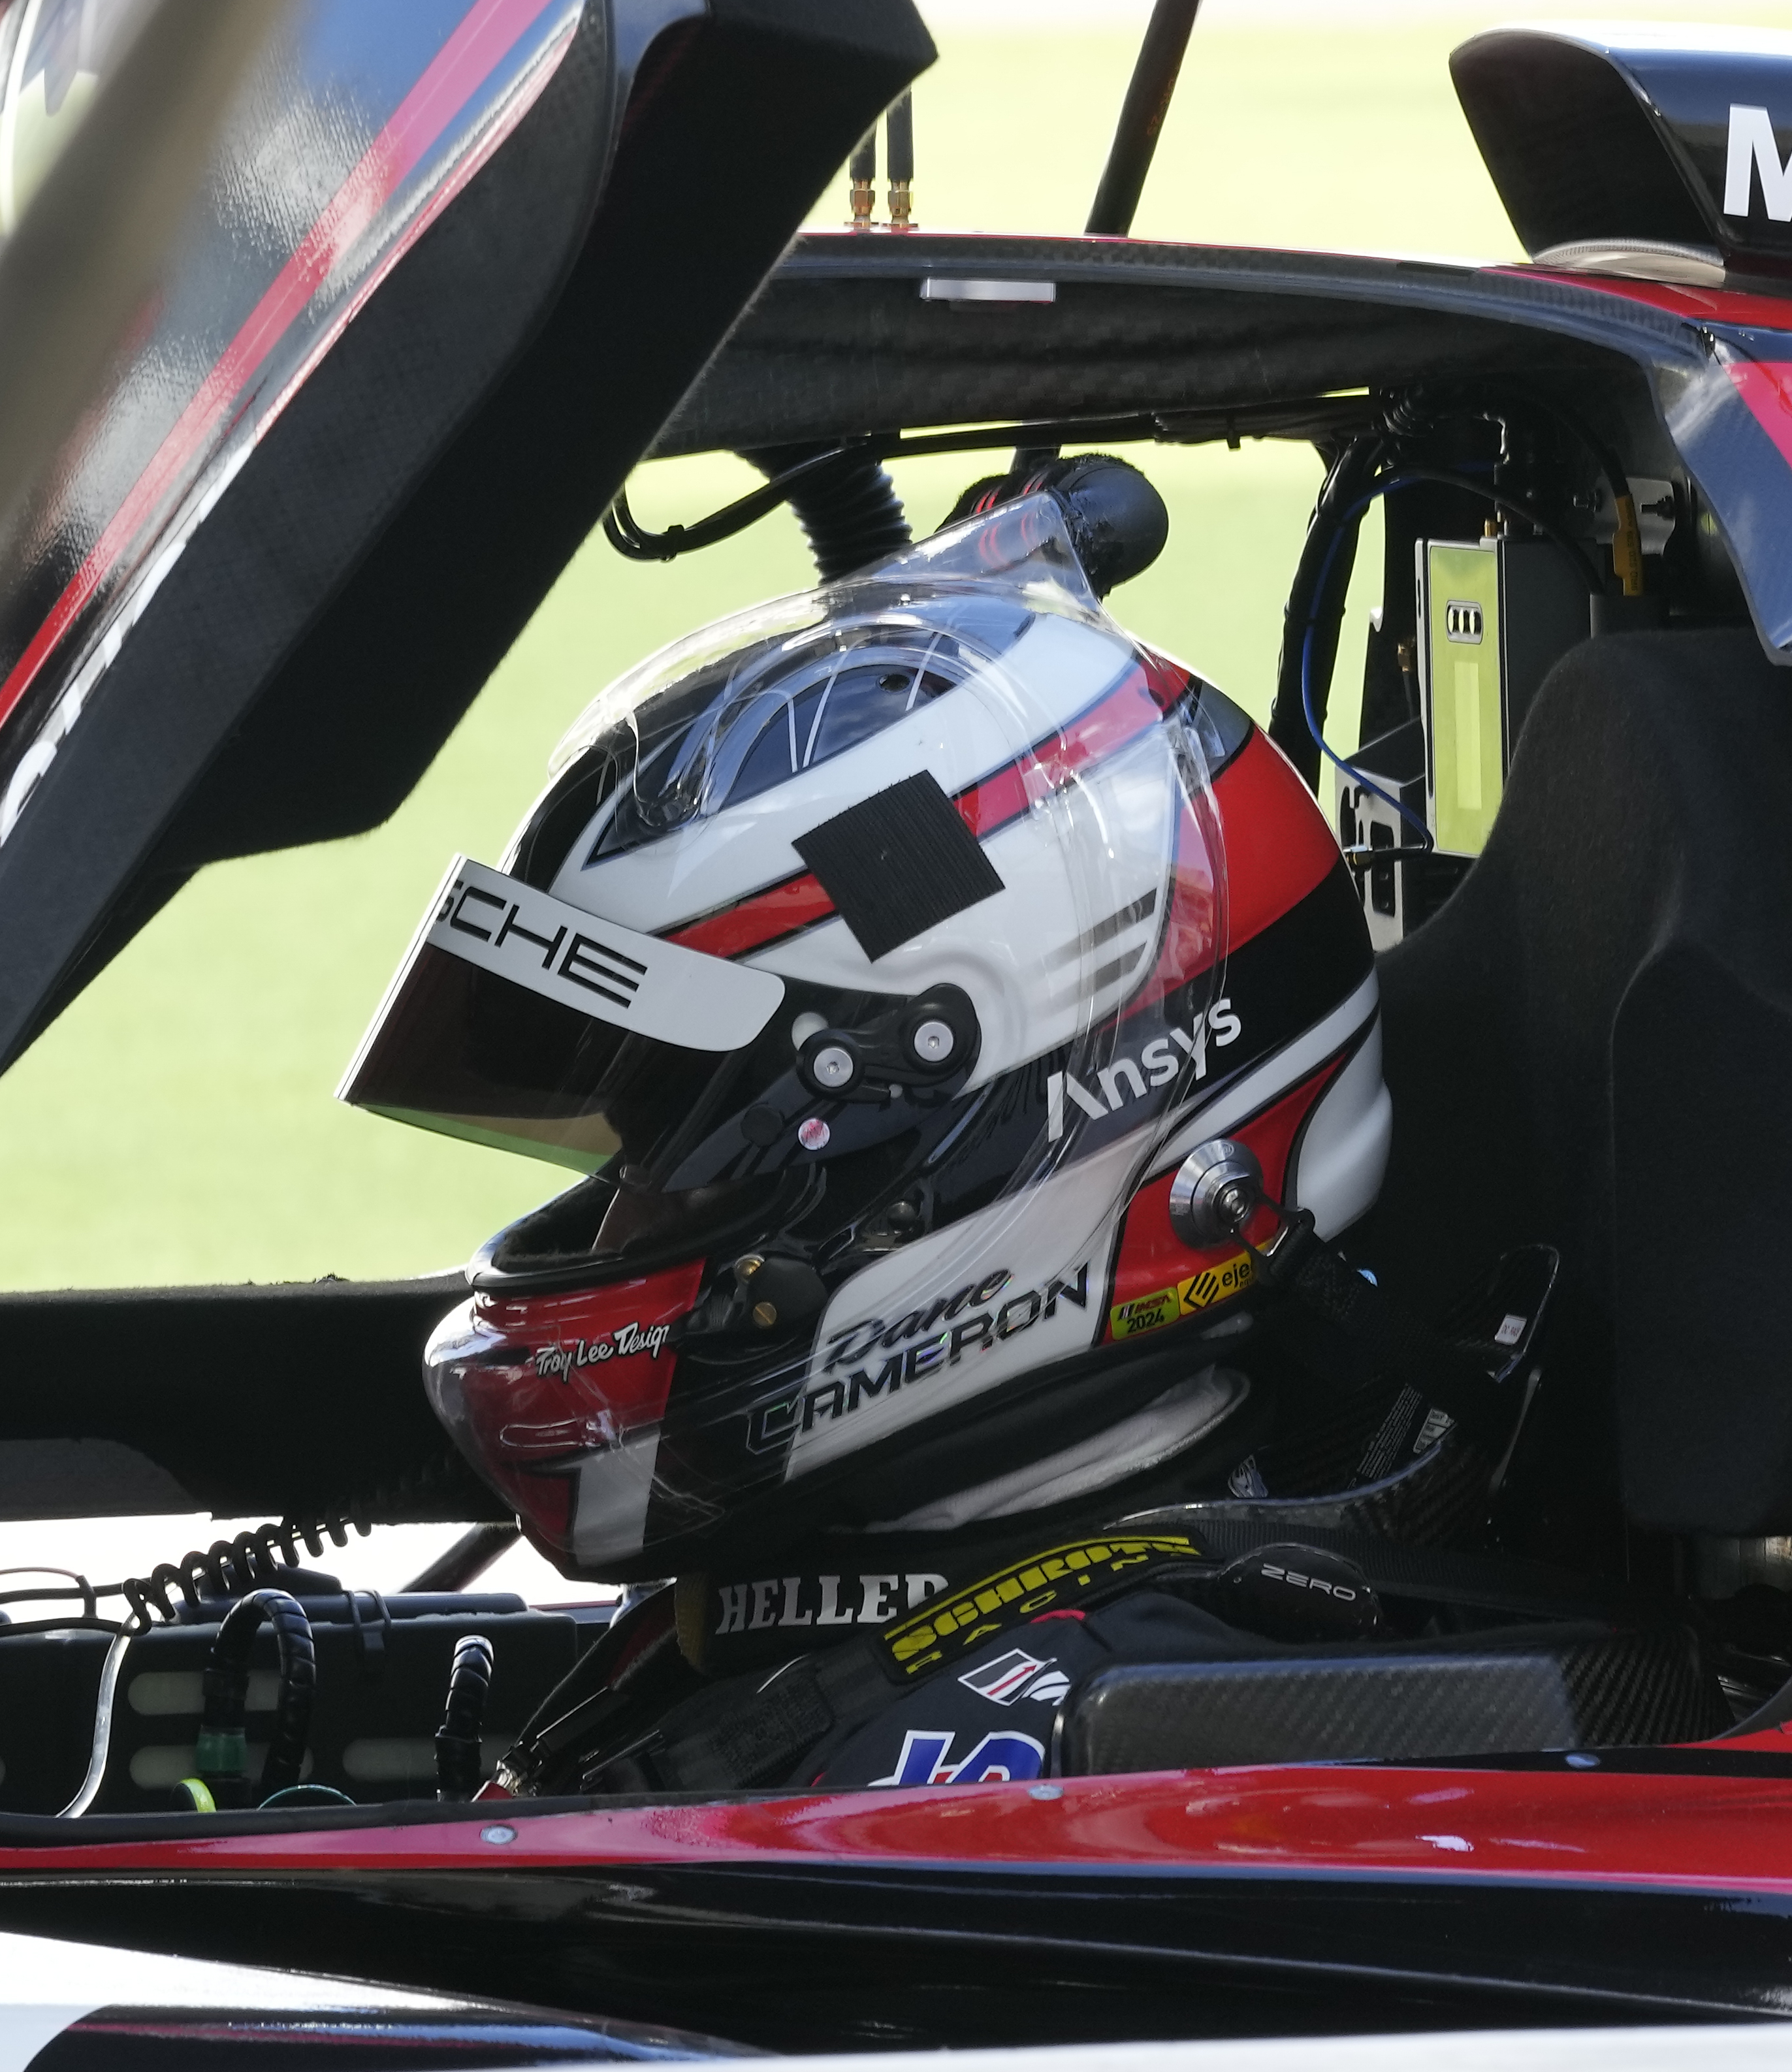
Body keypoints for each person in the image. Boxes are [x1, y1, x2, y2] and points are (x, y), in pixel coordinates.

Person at [341, 461, 1536, 1792]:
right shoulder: (798, 1617)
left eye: (683, 1156)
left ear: (968, 1126)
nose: (621, 1216)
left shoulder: (1057, 1765)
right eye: (637, 1151)